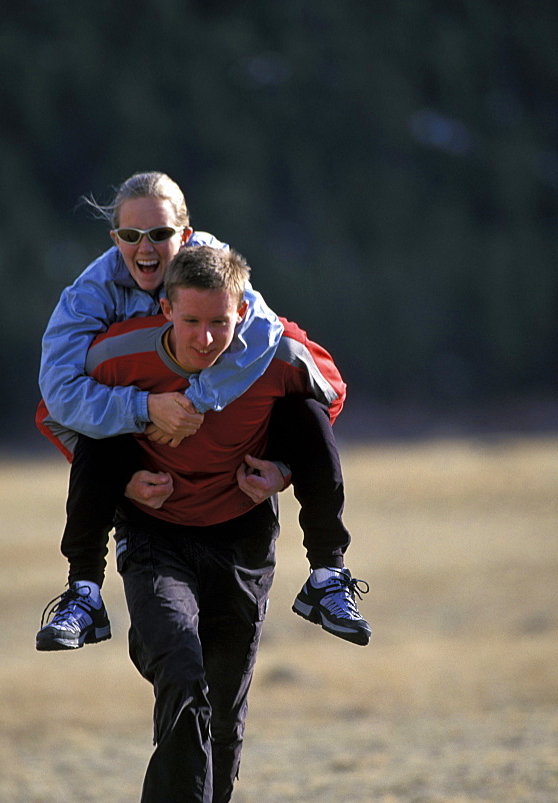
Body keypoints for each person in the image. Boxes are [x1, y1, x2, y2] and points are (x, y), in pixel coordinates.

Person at [38, 245, 353, 803]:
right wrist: (119, 477)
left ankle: (328, 573)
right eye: (192, 323)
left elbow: (331, 393)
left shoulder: (270, 353)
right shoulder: (118, 356)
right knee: (179, 668)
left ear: (244, 313)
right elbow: (57, 412)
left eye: (222, 323)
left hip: (242, 539)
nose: (208, 338)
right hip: (155, 539)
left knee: (224, 706)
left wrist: (284, 471)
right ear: (165, 312)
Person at [37, 171, 370, 652]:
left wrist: (207, 409)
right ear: (115, 239)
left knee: (304, 412)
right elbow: (58, 394)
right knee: (98, 430)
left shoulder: (215, 268)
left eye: (160, 234)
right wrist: (145, 409)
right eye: (131, 236)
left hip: (231, 459)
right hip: (145, 457)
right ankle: (83, 593)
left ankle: (328, 576)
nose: (145, 248)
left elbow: (262, 334)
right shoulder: (88, 296)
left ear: (187, 235)